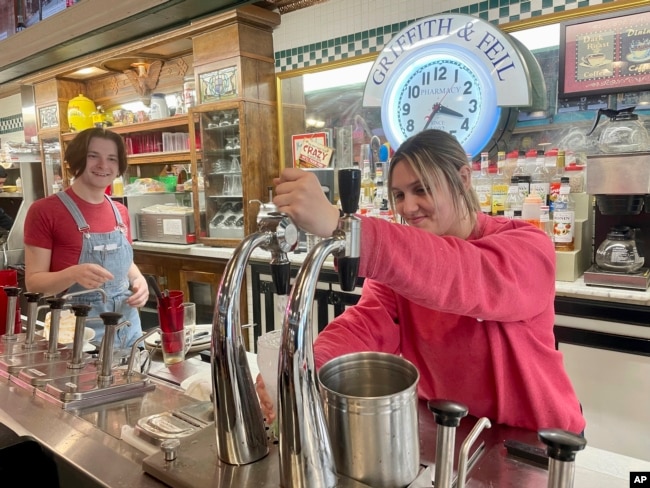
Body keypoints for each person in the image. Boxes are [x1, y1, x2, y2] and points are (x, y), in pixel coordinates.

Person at [259, 129, 586, 434]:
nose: (409, 207)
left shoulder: (527, 247)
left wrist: (343, 227)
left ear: (463, 179)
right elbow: (366, 322)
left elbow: (459, 273)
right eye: (400, 194)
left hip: (534, 438)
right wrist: (304, 367)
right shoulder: (404, 268)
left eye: (422, 190)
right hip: (445, 427)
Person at [24, 128, 148, 348]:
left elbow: (126, 262)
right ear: (76, 160)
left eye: (112, 158)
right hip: (76, 335)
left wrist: (138, 280)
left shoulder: (120, 211)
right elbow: (34, 283)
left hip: (128, 331)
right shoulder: (44, 211)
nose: (103, 165)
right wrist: (72, 274)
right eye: (93, 156)